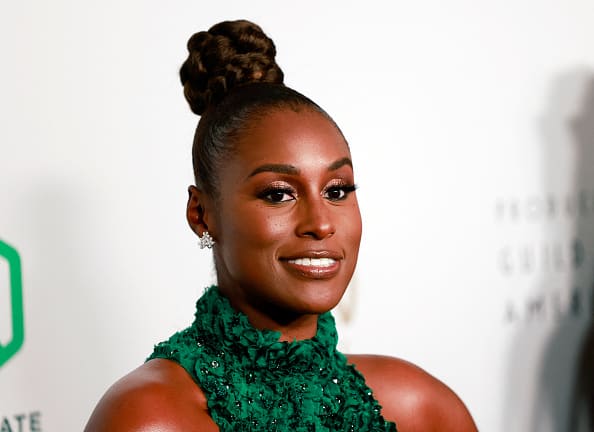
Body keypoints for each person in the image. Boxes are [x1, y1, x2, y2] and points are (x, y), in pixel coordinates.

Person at [84, 20, 478, 431]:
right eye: (277, 194)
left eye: (337, 190)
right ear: (201, 215)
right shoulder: (150, 417)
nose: (321, 223)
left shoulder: (422, 408)